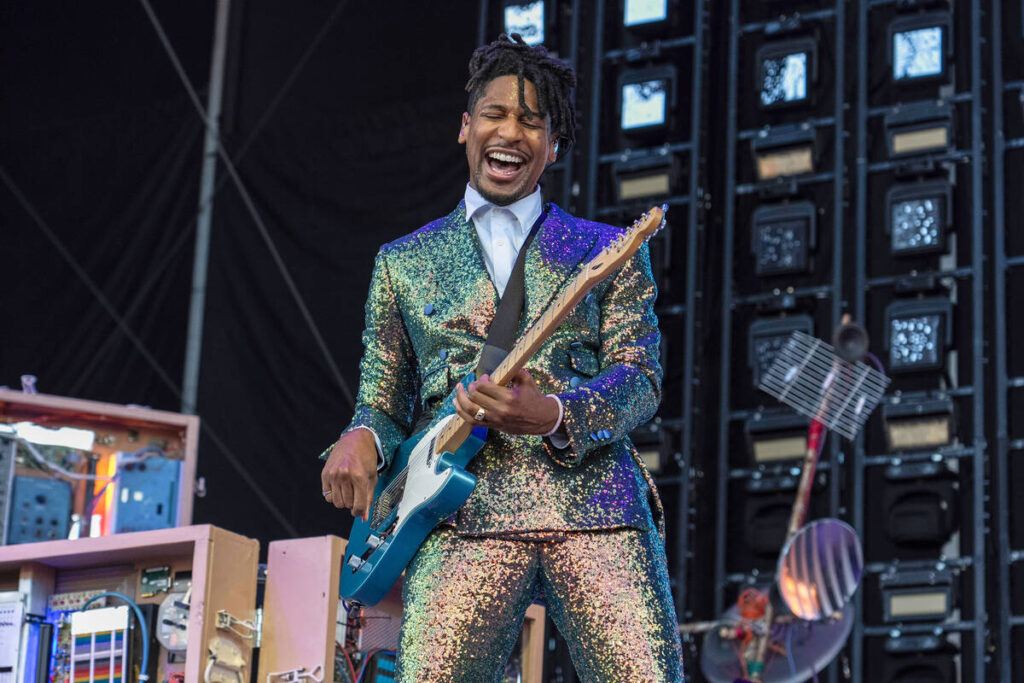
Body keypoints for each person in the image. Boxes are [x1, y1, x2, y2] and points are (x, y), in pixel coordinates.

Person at [320, 34, 684, 682]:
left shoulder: (606, 249)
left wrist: (552, 413)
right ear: (465, 128)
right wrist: (359, 436)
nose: (510, 131)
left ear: (553, 144)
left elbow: (643, 375)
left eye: (532, 119)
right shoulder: (402, 263)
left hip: (596, 509)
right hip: (458, 515)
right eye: (495, 113)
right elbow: (381, 395)